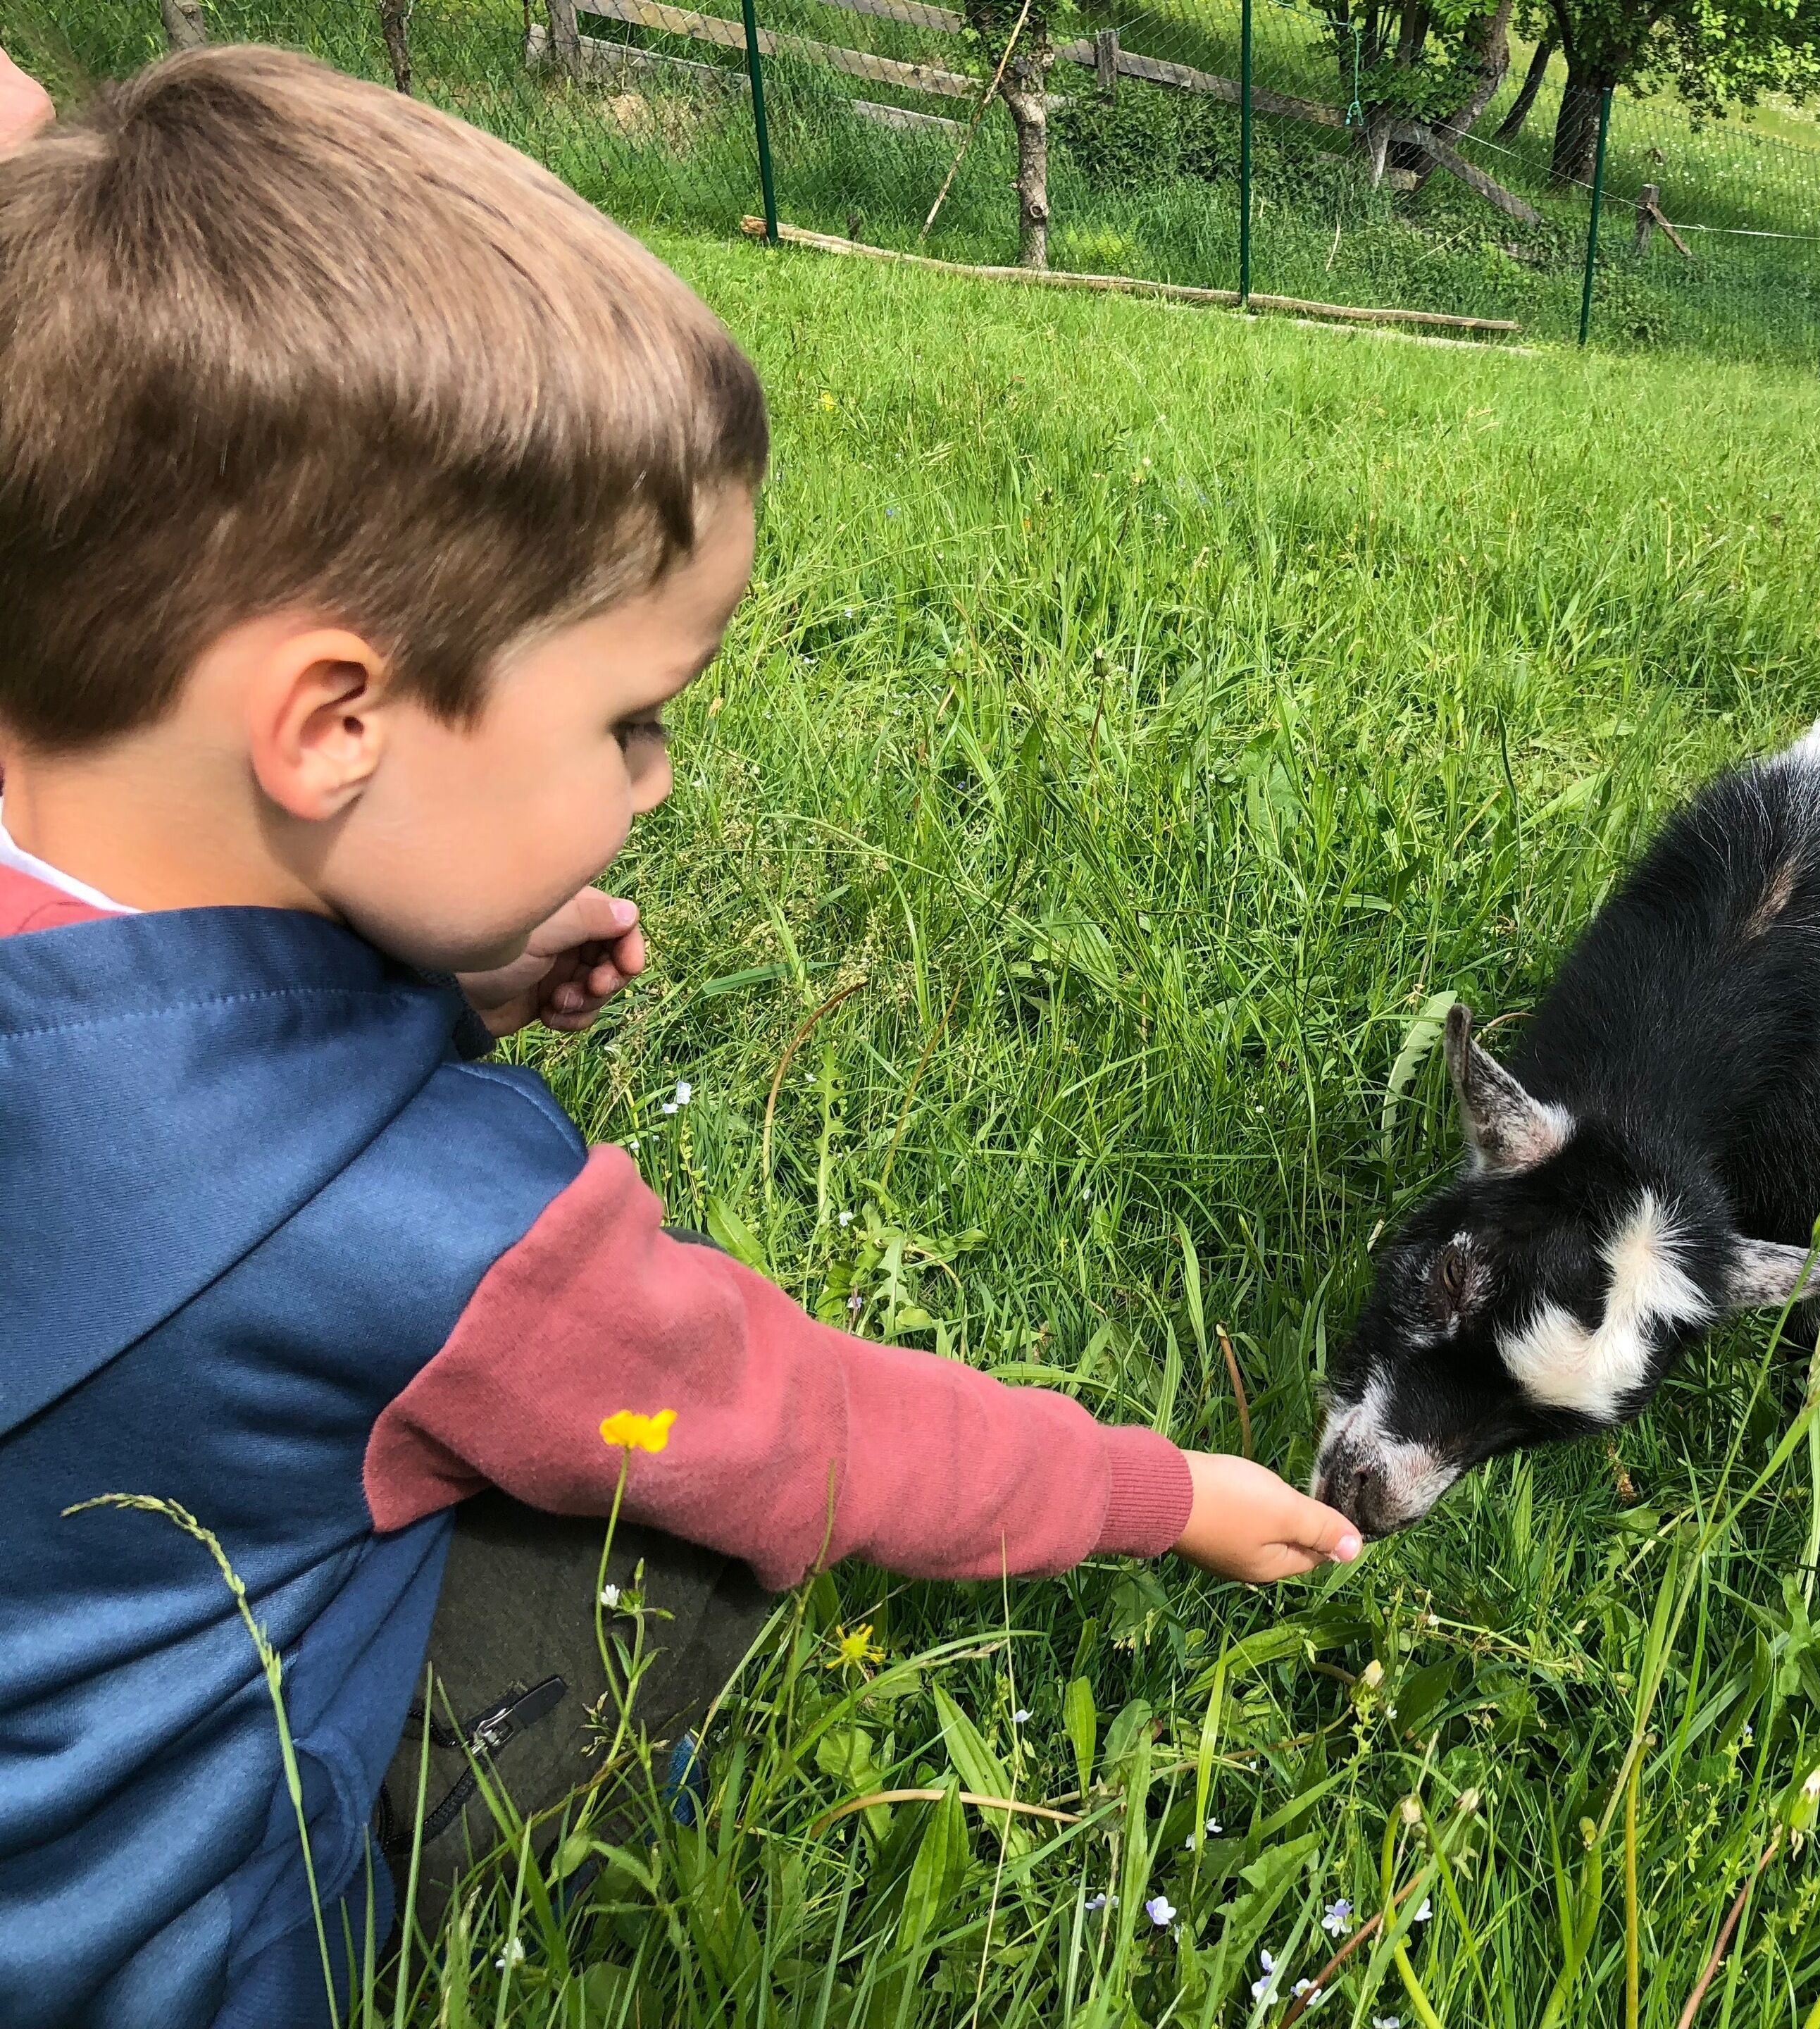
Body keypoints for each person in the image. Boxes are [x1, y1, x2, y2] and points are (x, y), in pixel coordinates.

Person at [0, 44, 1359, 2028]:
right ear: (334, 725)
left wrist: (433, 994)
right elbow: (805, 1429)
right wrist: (1166, 1491)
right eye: (628, 721)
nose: (655, 780)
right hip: (155, 1948)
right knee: (668, 1550)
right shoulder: (441, 1232)